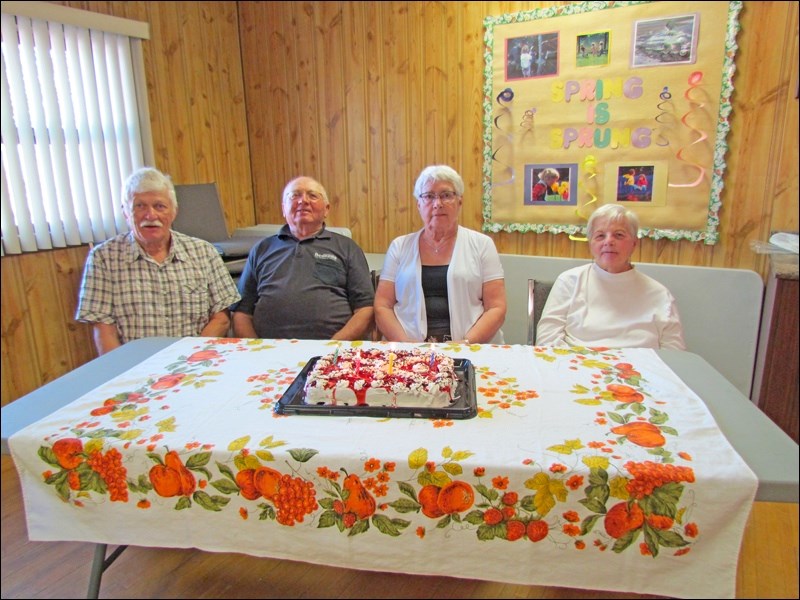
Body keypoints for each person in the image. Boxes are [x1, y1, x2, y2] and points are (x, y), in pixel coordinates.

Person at [76, 167, 241, 355]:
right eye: (140, 206)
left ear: (174, 211)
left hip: (196, 361)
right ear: (126, 213)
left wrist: (188, 359)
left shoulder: (204, 252)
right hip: (135, 366)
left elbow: (221, 319)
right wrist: (123, 373)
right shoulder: (103, 258)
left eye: (159, 206)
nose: (151, 215)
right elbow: (104, 331)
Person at [374, 165, 506, 344]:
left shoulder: (482, 245)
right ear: (418, 204)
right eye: (428, 196)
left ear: (460, 202)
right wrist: (405, 343)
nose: (437, 203)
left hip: (471, 347)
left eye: (446, 195)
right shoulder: (399, 247)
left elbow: (496, 308)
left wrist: (465, 343)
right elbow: (383, 306)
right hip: (409, 349)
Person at [232, 176, 374, 340]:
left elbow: (365, 308)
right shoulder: (262, 249)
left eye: (312, 195)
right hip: (269, 350)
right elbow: (242, 312)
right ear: (283, 209)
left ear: (326, 209)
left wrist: (333, 346)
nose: (303, 201)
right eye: (295, 195)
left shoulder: (347, 248)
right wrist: (256, 349)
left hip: (332, 350)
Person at [536, 204, 686, 350]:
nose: (608, 241)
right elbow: (547, 340)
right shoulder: (569, 281)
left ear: (634, 243)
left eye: (619, 235)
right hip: (578, 367)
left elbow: (674, 355)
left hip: (640, 372)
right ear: (590, 243)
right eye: (600, 236)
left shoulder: (660, 295)